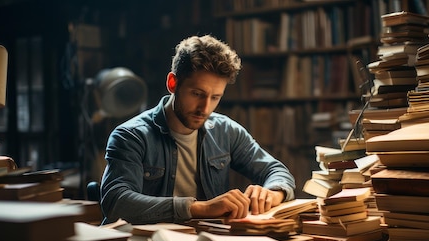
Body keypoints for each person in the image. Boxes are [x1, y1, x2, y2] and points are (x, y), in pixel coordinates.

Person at [99, 34, 296, 224]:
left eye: (215, 97)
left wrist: (273, 192)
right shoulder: (130, 136)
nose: (205, 108)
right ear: (172, 83)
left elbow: (276, 170)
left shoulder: (226, 131)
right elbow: (116, 202)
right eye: (197, 94)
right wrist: (201, 209)